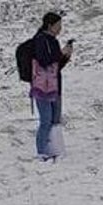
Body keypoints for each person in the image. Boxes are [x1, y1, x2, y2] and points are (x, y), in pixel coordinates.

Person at [29, 12, 73, 161]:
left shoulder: (53, 41)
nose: (60, 29)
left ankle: (53, 148)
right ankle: (41, 151)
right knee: (46, 120)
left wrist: (65, 57)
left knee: (55, 119)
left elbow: (56, 66)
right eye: (58, 26)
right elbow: (44, 61)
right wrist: (60, 54)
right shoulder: (40, 40)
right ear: (50, 25)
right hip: (42, 86)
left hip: (55, 85)